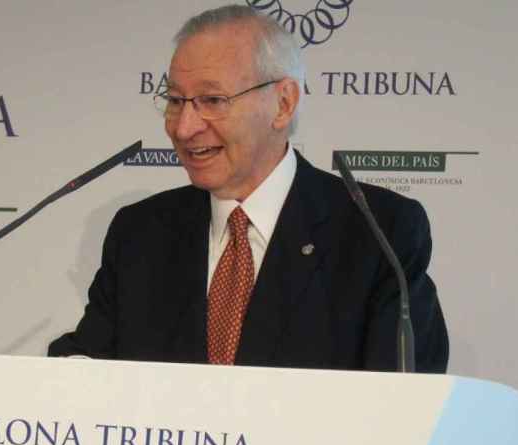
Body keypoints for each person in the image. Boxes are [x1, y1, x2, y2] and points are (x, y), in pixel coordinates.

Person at [48, 5, 448, 372]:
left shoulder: (378, 232)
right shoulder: (140, 233)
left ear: (284, 104)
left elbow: (406, 405)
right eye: (174, 100)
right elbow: (91, 361)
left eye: (212, 99)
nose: (184, 127)